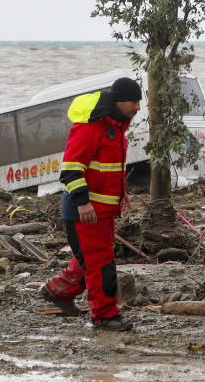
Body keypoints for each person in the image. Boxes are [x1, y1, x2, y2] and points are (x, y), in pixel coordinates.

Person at [40, 77, 142, 331]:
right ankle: (105, 317)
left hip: (102, 212)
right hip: (85, 212)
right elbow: (71, 170)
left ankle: (58, 291)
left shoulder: (116, 129)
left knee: (93, 260)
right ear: (118, 102)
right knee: (100, 265)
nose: (138, 107)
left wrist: (122, 193)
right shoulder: (90, 128)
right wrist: (84, 203)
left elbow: (106, 169)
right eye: (134, 101)